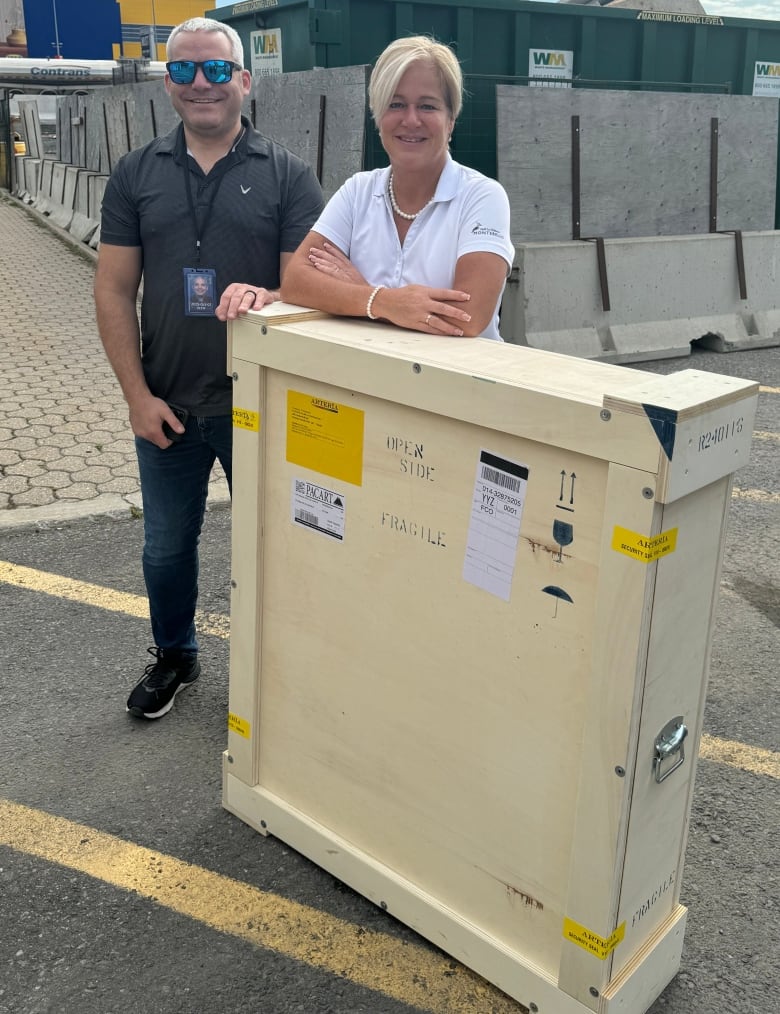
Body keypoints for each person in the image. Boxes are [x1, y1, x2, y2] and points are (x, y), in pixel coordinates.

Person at [94, 17, 324, 720]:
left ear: (244, 81)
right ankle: (176, 656)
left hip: (257, 407)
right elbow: (111, 289)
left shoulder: (287, 174)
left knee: (282, 552)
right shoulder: (136, 174)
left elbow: (309, 291)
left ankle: (284, 672)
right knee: (165, 551)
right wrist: (136, 397)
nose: (202, 83)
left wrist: (274, 295)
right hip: (166, 407)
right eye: (187, 70)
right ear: (168, 83)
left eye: (218, 70)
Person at [263, 35, 513, 340]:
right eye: (396, 104)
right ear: (378, 116)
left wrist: (360, 294)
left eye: (427, 106)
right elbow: (296, 282)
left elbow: (466, 318)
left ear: (451, 120)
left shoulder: (482, 196)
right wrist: (384, 302)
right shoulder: (357, 192)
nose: (411, 119)